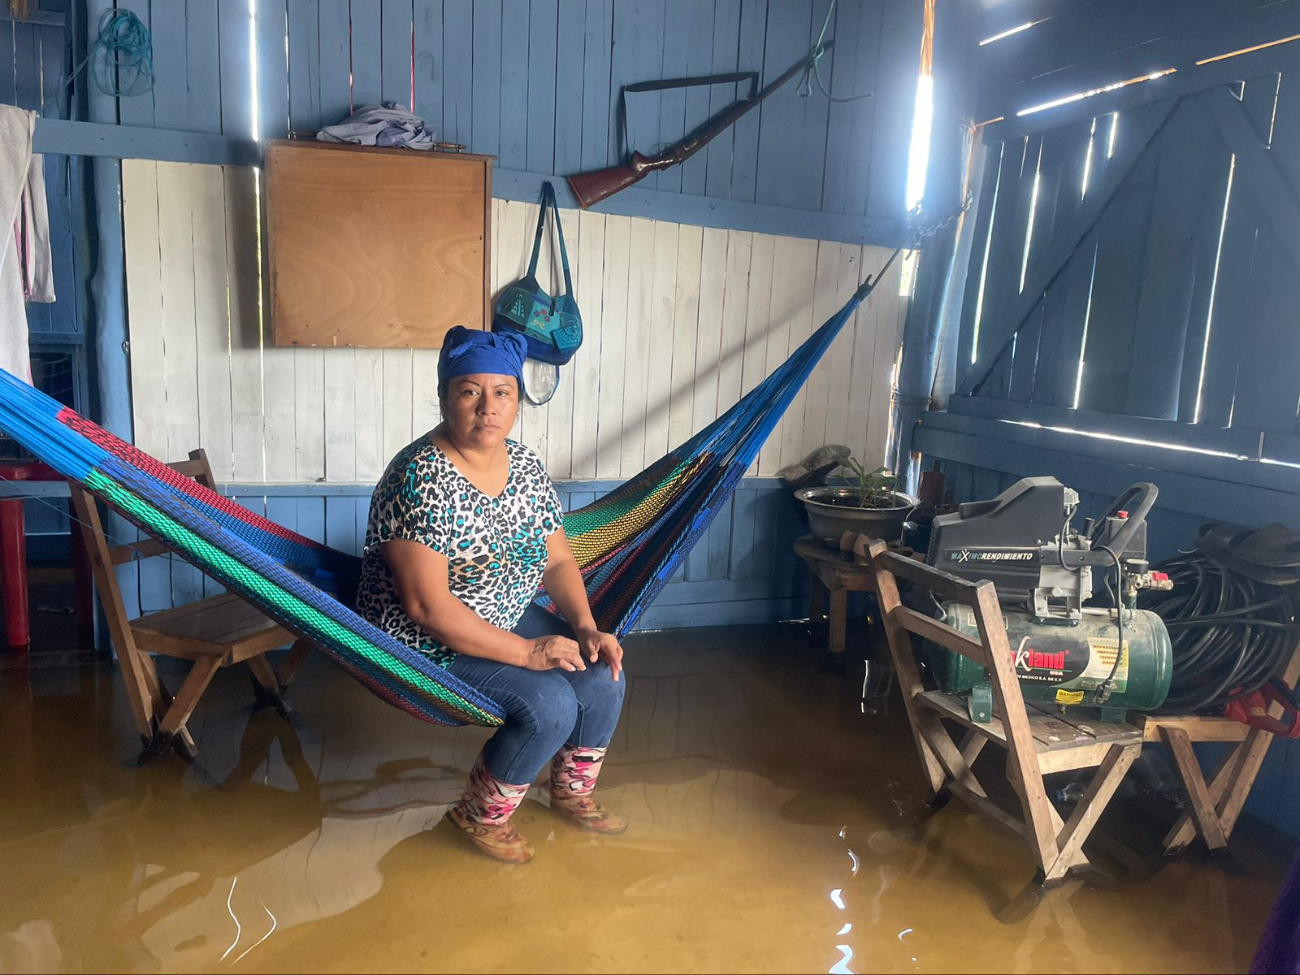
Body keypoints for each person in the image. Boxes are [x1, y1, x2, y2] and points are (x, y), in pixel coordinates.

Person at [357, 327, 626, 865]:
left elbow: (557, 560)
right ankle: (479, 815)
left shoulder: (524, 467)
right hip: (424, 640)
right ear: (444, 398)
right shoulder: (419, 475)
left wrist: (585, 624)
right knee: (547, 705)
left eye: (502, 392)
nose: (488, 407)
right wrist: (528, 654)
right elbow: (426, 607)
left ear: (517, 401)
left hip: (501, 610)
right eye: (469, 391)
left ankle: (570, 789)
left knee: (602, 675)